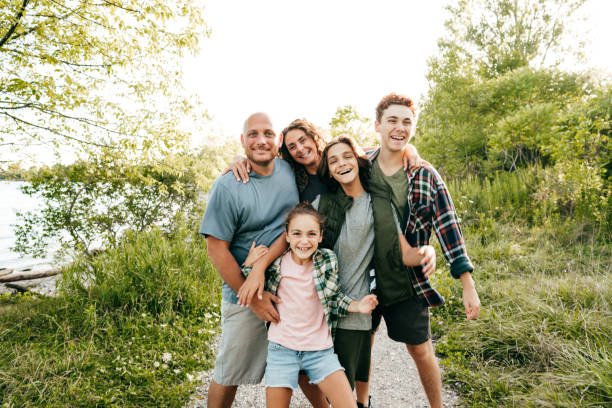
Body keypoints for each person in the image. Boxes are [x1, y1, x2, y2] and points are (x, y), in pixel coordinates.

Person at [239, 134, 435, 408]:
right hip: (314, 309)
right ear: (328, 170)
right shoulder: (322, 204)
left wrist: (427, 251)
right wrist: (257, 265)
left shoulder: (379, 203)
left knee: (348, 383)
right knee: (310, 376)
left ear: (358, 160)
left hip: (351, 308)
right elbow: (294, 235)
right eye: (333, 160)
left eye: (347, 157)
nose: (341, 163)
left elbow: (403, 252)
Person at [364, 93, 481, 408]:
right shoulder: (360, 164)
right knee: (363, 344)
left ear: (413, 127)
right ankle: (360, 403)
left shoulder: (424, 174)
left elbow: (448, 227)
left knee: (420, 349)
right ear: (377, 125)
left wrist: (467, 284)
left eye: (406, 122)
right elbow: (317, 159)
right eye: (392, 120)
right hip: (364, 278)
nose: (399, 128)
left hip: (408, 282)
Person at [200, 112, 311, 408]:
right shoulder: (228, 186)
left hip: (292, 286)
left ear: (278, 142)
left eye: (268, 134)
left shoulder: (289, 170)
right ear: (242, 140)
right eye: (253, 134)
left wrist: (410, 151)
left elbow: (343, 155)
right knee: (230, 371)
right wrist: (253, 297)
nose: (261, 140)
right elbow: (216, 249)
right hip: (244, 292)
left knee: (307, 362)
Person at [241, 202, 379, 408]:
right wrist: (249, 265)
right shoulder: (277, 264)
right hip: (282, 351)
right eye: (297, 234)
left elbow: (334, 298)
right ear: (286, 236)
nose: (304, 241)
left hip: (320, 352)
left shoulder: (327, 260)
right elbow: (254, 286)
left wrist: (358, 306)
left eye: (311, 234)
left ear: (321, 236)